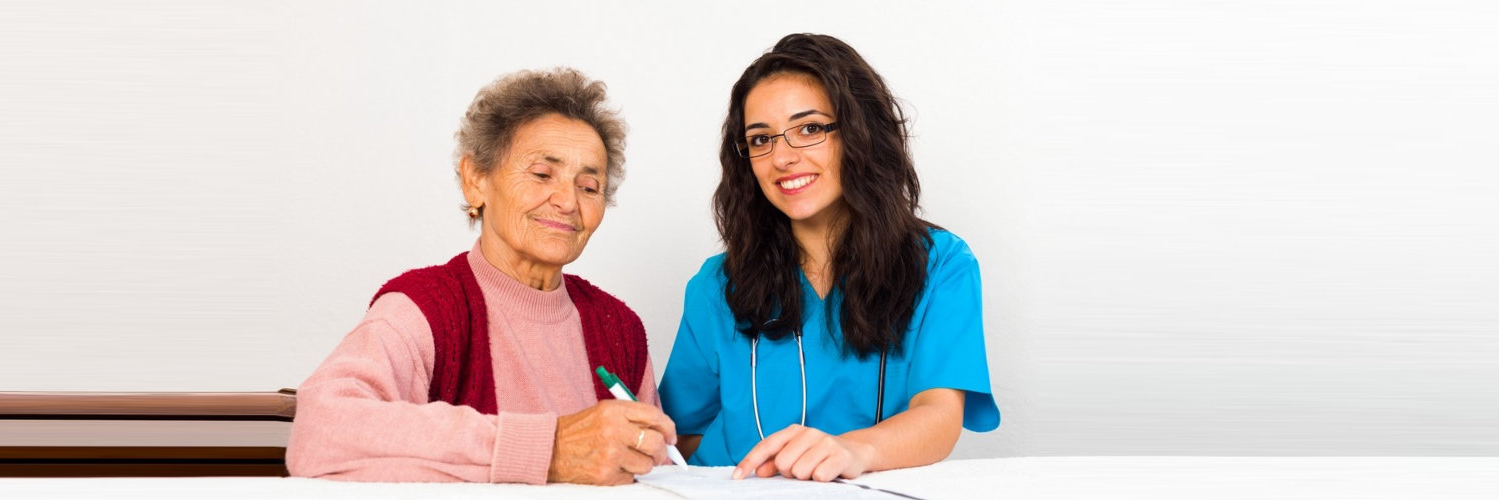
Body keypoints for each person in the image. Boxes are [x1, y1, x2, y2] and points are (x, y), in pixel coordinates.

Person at [287, 68, 676, 486]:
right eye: (543, 174)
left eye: (589, 186)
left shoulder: (619, 328)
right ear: (476, 181)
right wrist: (548, 449)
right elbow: (319, 433)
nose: (566, 201)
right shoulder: (423, 308)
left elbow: (656, 475)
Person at [658, 34, 1001, 482]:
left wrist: (849, 451)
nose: (782, 157)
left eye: (810, 128)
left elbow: (939, 417)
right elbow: (678, 436)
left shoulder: (941, 265)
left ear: (861, 134)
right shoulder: (715, 286)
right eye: (760, 139)